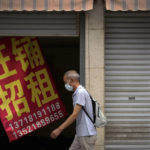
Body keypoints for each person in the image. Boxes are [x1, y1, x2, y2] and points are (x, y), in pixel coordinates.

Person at [50, 70, 97, 150]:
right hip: (80, 133)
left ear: (71, 80)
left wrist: (59, 129)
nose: (66, 85)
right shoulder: (78, 92)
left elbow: (75, 114)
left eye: (66, 82)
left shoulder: (80, 92)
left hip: (86, 134)